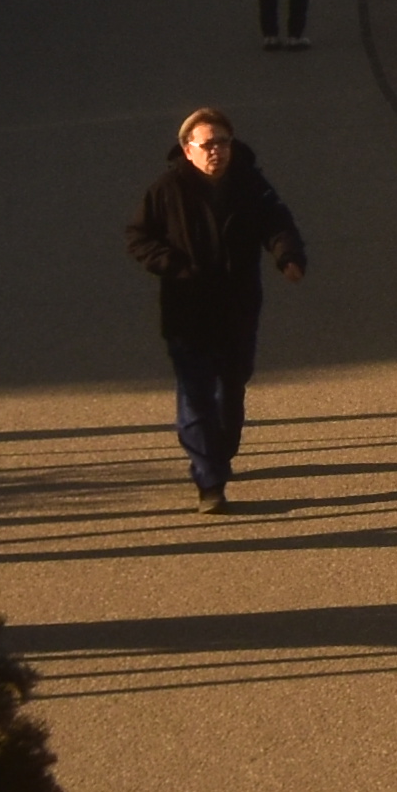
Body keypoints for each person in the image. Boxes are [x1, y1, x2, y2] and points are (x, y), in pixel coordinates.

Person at [125, 104, 311, 511]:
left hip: (237, 307)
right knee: (195, 395)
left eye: (223, 142)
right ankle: (208, 480)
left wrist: (288, 256)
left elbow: (277, 222)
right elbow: (138, 237)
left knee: (231, 386)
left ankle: (221, 451)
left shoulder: (250, 183)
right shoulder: (166, 190)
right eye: (207, 144)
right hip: (186, 310)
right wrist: (173, 265)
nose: (217, 151)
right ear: (187, 149)